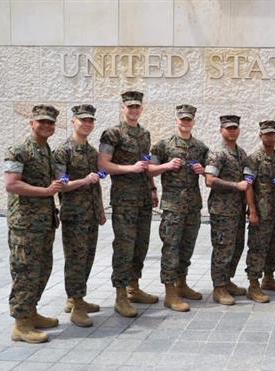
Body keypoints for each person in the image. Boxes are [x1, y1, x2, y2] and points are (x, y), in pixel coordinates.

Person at [4, 104, 63, 343]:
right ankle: (21, 324)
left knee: (42, 269)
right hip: (25, 225)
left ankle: (31, 311)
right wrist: (46, 191)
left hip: (44, 222)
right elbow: (12, 184)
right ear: (32, 123)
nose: (46, 125)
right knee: (25, 272)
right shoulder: (18, 150)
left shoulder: (47, 151)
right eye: (42, 121)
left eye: (50, 122)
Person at [99, 91, 159, 318]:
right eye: (130, 106)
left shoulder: (144, 134)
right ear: (123, 108)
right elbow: (104, 164)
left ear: (141, 109)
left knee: (141, 244)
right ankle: (120, 294)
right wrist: (130, 169)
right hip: (124, 200)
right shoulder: (112, 134)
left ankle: (134, 287)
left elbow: (145, 164)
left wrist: (152, 188)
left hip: (143, 198)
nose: (133, 110)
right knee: (124, 246)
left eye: (137, 107)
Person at [147, 104, 209, 312]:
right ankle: (170, 292)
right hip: (173, 207)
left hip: (193, 206)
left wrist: (203, 171)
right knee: (171, 248)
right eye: (182, 119)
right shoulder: (163, 146)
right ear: (177, 121)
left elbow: (212, 172)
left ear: (193, 122)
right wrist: (166, 166)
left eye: (189, 119)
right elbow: (149, 170)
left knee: (187, 247)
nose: (185, 122)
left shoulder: (200, 148)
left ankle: (182, 284)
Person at [53, 104, 105, 328]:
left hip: (90, 214)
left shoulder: (91, 152)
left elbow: (96, 184)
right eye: (83, 120)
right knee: (76, 260)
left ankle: (77, 298)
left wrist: (100, 210)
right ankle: (76, 307)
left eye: (90, 120)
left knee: (87, 257)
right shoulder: (63, 151)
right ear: (73, 121)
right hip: (74, 215)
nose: (87, 124)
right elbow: (60, 184)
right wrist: (84, 180)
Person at [205, 115, 250, 305]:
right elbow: (209, 180)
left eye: (234, 128)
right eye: (228, 128)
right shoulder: (217, 153)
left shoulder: (241, 153)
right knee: (223, 248)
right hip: (222, 210)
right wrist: (235, 185)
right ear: (221, 130)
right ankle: (219, 287)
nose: (232, 131)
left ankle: (227, 280)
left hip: (237, 210)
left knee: (237, 247)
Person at [244, 120, 275, 303]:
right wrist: (252, 211)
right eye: (266, 134)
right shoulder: (253, 159)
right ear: (260, 135)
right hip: (260, 214)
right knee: (257, 248)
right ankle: (253, 285)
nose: (269, 137)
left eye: (272, 134)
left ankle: (268, 278)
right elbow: (248, 186)